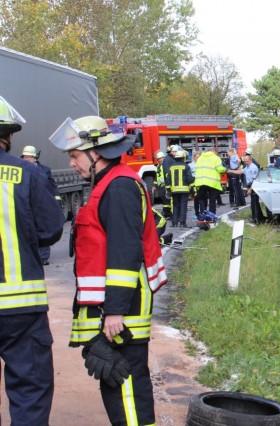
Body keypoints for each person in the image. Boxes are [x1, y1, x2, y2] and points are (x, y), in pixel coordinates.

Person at [49, 114, 167, 426]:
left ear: (96, 152)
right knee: (119, 386)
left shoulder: (119, 187)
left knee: (126, 389)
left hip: (122, 312)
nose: (72, 163)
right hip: (116, 308)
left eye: (75, 155)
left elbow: (124, 254)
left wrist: (114, 312)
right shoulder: (111, 183)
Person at [0, 95, 65, 425]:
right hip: (21, 306)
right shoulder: (27, 174)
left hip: (21, 307)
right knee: (30, 390)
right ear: (8, 135)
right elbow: (51, 229)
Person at [21, 145, 63, 265]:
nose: (27, 159)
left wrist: (56, 200)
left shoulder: (44, 170)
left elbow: (52, 186)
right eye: (25, 157)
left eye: (29, 157)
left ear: (35, 158)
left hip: (41, 205)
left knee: (42, 229)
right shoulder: (20, 169)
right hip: (28, 205)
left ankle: (43, 257)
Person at [228, 154, 264, 224]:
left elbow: (255, 180)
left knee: (254, 204)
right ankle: (260, 218)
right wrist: (231, 171)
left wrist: (250, 189)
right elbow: (240, 171)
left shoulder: (253, 167)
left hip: (254, 185)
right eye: (245, 161)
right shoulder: (247, 167)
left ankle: (256, 220)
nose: (246, 162)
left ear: (250, 160)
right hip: (251, 185)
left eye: (247, 161)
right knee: (255, 203)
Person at [194, 148, 226, 215]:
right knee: (212, 200)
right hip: (212, 182)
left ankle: (203, 214)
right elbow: (220, 169)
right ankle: (212, 216)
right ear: (214, 152)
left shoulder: (200, 158)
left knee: (201, 199)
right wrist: (225, 169)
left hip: (201, 182)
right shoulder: (216, 158)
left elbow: (196, 168)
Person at [167, 149, 193, 227]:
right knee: (183, 206)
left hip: (174, 190)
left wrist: (169, 189)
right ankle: (182, 223)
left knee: (175, 206)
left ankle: (174, 223)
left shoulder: (171, 167)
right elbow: (189, 179)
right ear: (183, 158)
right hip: (184, 190)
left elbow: (168, 179)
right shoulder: (186, 166)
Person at [155, 151, 172, 218]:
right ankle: (166, 211)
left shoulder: (165, 165)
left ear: (163, 158)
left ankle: (168, 212)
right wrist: (156, 185)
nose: (159, 160)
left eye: (160, 158)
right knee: (164, 200)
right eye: (158, 159)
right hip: (161, 186)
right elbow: (157, 176)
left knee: (167, 199)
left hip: (165, 185)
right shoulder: (158, 166)